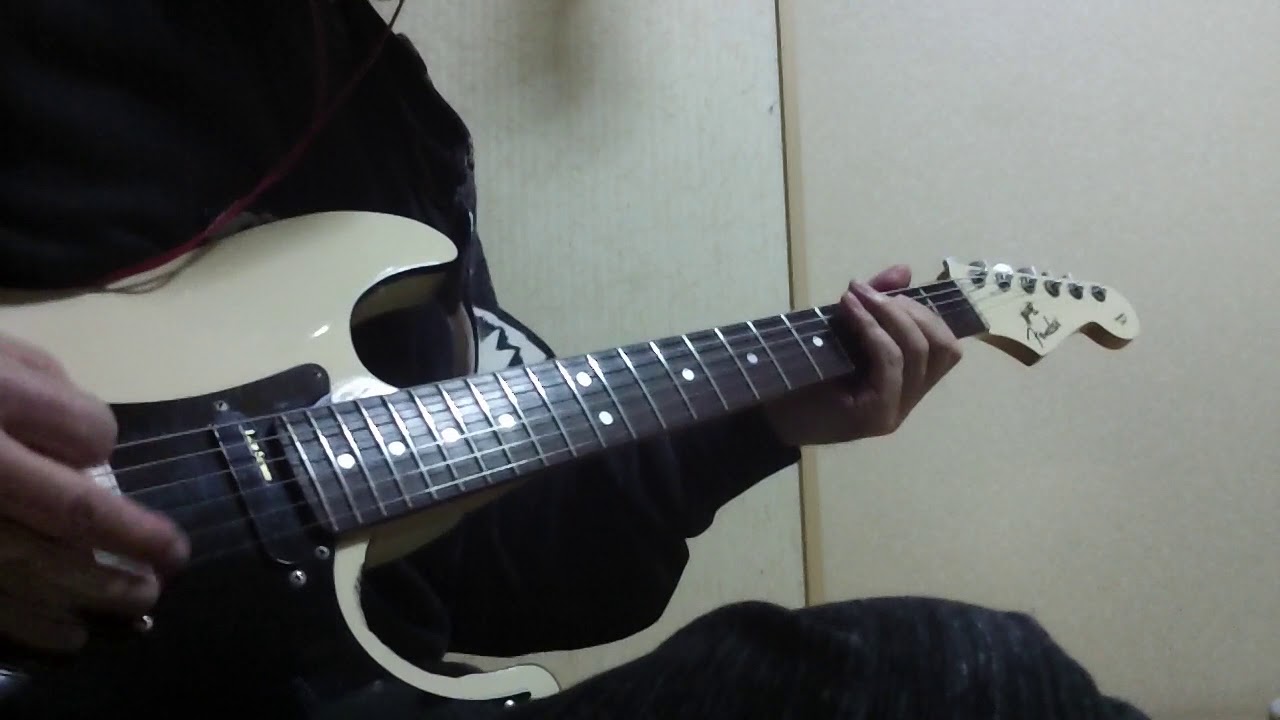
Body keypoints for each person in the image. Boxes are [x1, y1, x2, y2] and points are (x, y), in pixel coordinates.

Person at [0, 2, 1149, 718]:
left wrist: (759, 425)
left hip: (335, 688)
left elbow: (477, 578)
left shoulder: (394, 121)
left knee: (971, 688)